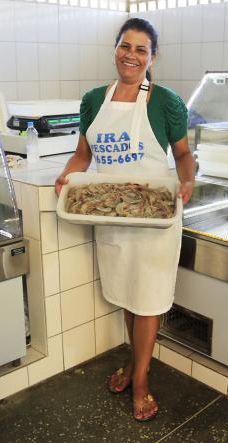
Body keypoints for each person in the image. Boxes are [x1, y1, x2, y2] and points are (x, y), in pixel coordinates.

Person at [55, 17, 195, 422]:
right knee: (128, 294)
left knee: (148, 299)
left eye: (140, 49)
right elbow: (83, 155)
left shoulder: (166, 102)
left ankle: (141, 380)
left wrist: (187, 180)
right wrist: (67, 176)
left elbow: (183, 155)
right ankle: (135, 362)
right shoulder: (93, 101)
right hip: (114, 213)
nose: (131, 55)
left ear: (153, 57)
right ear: (115, 49)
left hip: (154, 216)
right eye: (125, 46)